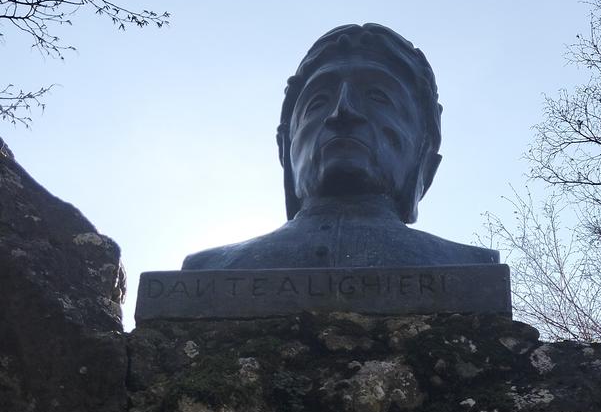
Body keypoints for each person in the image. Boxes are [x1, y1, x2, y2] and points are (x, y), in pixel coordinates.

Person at [183, 23, 499, 270]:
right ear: (285, 148)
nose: (342, 111)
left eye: (379, 97)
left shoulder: (470, 266)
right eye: (318, 102)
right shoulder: (207, 269)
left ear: (424, 155)